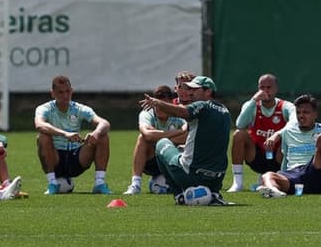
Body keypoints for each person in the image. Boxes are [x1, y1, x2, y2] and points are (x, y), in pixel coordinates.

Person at [140, 76, 231, 205]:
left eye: (194, 89)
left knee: (161, 143)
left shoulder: (202, 105)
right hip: (217, 178)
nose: (190, 93)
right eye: (189, 89)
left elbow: (182, 112)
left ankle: (180, 195)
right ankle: (214, 193)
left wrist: (158, 102)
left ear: (208, 92)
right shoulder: (225, 110)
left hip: (192, 175)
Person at [256, 94, 321, 198]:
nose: (301, 115)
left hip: (315, 173)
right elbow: (286, 158)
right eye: (298, 112)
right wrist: (282, 174)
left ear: (315, 114)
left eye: (306, 112)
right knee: (267, 175)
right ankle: (274, 191)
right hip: (294, 176)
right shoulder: (287, 132)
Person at [35, 75, 112, 194]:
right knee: (42, 136)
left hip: (77, 158)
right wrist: (65, 134)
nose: (65, 95)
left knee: (102, 135)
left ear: (72, 91)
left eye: (67, 91)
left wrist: (95, 133)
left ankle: (99, 183)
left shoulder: (79, 108)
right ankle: (52, 184)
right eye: (60, 92)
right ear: (52, 93)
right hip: (55, 158)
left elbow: (104, 122)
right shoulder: (44, 108)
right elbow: (39, 124)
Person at [227, 74, 296, 192]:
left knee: (289, 135)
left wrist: (276, 135)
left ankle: (281, 178)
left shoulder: (286, 106)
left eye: (269, 87)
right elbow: (240, 124)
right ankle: (237, 183)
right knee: (239, 134)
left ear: (276, 89)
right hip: (256, 155)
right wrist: (254, 100)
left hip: (278, 156)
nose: (265, 91)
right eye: (262, 87)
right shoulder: (252, 105)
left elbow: (294, 122)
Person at [123, 85, 187, 195]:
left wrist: (157, 136)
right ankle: (135, 184)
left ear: (170, 104)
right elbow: (147, 134)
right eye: (157, 104)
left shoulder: (178, 115)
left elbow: (187, 136)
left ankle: (163, 180)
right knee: (142, 138)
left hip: (171, 159)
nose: (159, 108)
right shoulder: (147, 113)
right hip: (151, 161)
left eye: (163, 105)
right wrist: (177, 133)